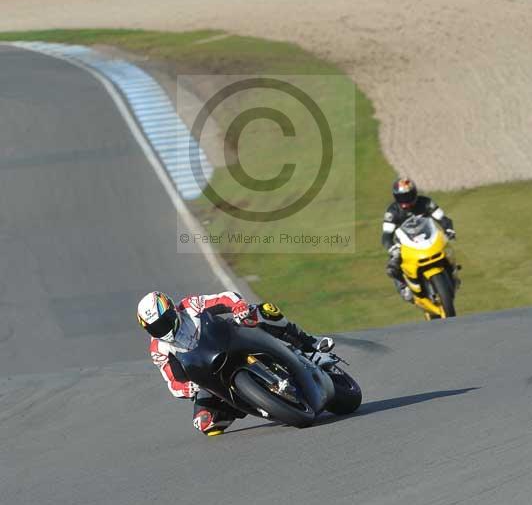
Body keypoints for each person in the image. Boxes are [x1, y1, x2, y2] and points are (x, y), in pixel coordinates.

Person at [137, 290, 334, 436]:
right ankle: (249, 402)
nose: (163, 330)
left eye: (165, 322)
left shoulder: (189, 306)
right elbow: (172, 381)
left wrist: (238, 307)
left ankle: (310, 344)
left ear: (172, 310)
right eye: (156, 328)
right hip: (209, 372)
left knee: (262, 311)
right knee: (204, 423)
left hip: (228, 338)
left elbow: (225, 297)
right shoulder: (158, 349)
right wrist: (186, 388)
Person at [382, 178, 455, 302]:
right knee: (392, 266)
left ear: (414, 193)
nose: (405, 203)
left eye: (408, 197)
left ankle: (452, 271)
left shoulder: (426, 203)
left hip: (428, 237)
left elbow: (442, 218)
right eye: (401, 198)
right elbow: (386, 235)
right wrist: (392, 248)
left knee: (447, 247)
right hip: (405, 244)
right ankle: (403, 287)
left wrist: (448, 229)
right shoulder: (392, 212)